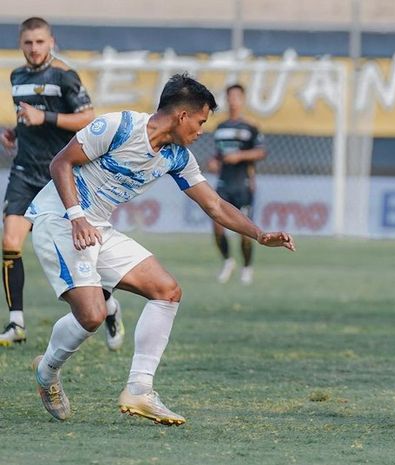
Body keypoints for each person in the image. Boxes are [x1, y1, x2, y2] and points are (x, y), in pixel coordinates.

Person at [26, 73, 295, 425]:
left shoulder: (177, 157)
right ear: (182, 116)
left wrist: (259, 235)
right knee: (91, 315)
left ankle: (139, 389)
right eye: (200, 122)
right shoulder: (119, 125)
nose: (201, 131)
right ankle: (47, 374)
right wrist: (77, 217)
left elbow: (214, 205)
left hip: (98, 228)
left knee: (167, 290)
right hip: (61, 218)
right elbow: (60, 163)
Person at [0, 17, 125, 351]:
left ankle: (108, 306)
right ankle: (17, 323)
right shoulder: (17, 76)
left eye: (40, 42)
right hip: (25, 173)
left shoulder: (64, 75)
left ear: (51, 41)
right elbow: (27, 115)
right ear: (21, 43)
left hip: (61, 177)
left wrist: (47, 118)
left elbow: (88, 117)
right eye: (28, 42)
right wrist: (17, 131)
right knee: (11, 243)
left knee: (85, 255)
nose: (34, 48)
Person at [207, 83, 266, 285]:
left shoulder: (250, 126)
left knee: (245, 232)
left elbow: (261, 152)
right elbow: (217, 154)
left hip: (243, 184)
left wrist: (240, 156)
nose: (233, 101)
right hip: (224, 182)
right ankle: (227, 261)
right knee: (216, 226)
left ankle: (247, 267)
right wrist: (214, 162)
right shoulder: (221, 128)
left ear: (242, 100)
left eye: (236, 97)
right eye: (229, 97)